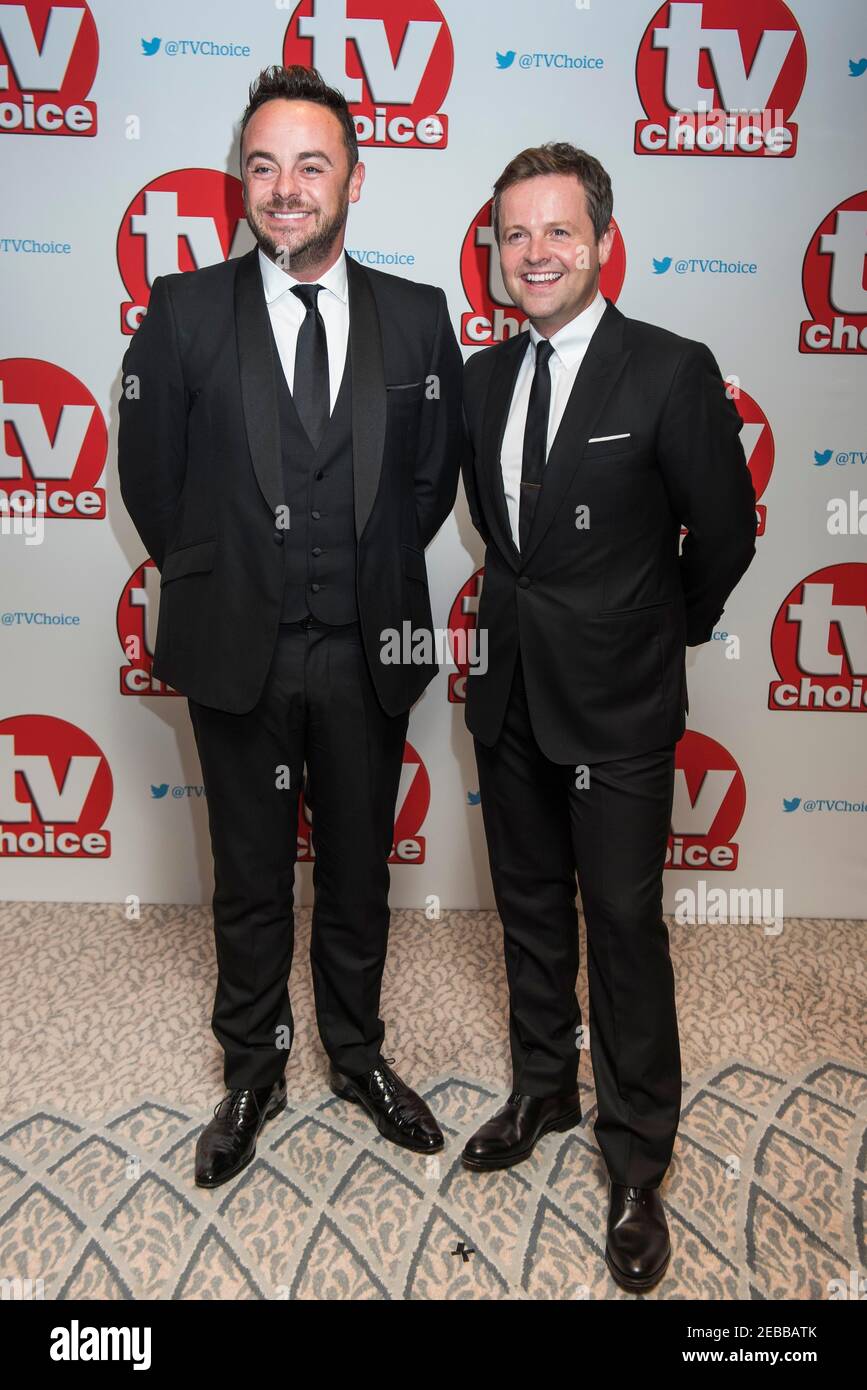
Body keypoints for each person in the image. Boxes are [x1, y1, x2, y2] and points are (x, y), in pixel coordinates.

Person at [118, 64, 462, 1188]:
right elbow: (155, 486)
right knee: (253, 876)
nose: (284, 188)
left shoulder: (418, 317)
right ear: (243, 184)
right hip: (238, 650)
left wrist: (354, 568)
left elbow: (425, 487)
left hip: (371, 648)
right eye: (262, 165)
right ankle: (254, 1070)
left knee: (359, 870)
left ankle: (357, 1056)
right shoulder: (180, 313)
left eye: (310, 165)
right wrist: (235, 573)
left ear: (354, 179)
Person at [459, 142, 756, 1292]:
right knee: (530, 907)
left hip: (623, 704)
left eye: (557, 232)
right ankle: (544, 1086)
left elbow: (722, 534)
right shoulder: (485, 380)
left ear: (600, 242)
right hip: (510, 692)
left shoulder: (671, 371)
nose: (535, 254)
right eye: (515, 235)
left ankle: (638, 1158)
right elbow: (503, 539)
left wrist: (652, 629)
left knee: (624, 931)